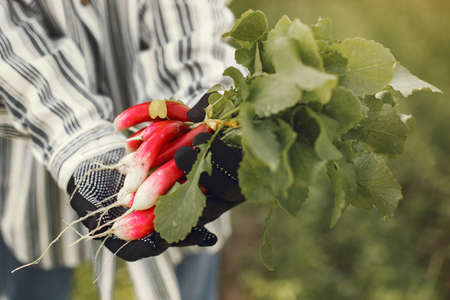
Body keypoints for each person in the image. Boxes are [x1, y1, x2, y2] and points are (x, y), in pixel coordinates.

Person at [0, 1, 243, 299]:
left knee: (188, 236)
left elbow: (192, 32)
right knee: (32, 271)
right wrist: (81, 145)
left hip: (183, 171)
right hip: (34, 152)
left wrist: (210, 102)